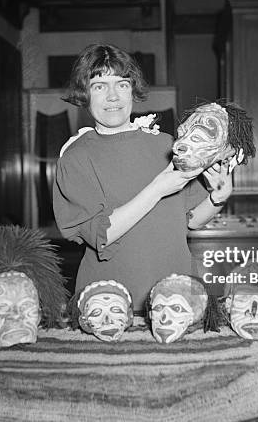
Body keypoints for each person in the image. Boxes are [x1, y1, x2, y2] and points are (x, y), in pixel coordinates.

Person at [53, 44, 233, 310]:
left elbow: (189, 220)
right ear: (85, 93)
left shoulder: (168, 144)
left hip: (178, 293)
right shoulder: (76, 157)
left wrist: (218, 198)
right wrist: (156, 189)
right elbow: (99, 235)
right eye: (100, 86)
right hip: (112, 301)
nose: (113, 96)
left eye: (122, 84)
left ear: (132, 89)